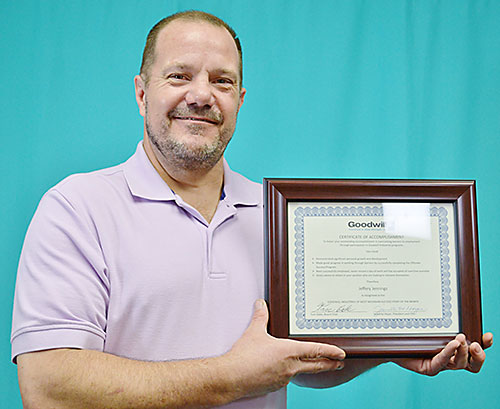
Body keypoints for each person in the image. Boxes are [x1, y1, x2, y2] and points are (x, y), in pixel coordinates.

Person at [11, 10, 492, 409]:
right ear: (142, 92)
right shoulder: (76, 208)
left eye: (222, 81)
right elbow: (49, 387)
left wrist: (394, 344)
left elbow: (295, 361)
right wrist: (230, 376)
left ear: (238, 101)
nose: (201, 95)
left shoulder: (280, 217)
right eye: (179, 75)